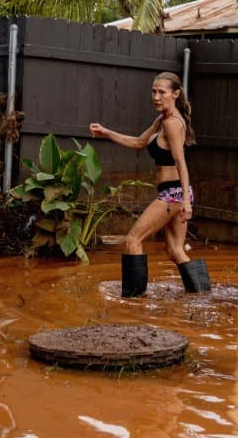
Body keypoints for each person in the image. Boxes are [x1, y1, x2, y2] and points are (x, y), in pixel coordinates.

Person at [89, 71, 211, 297]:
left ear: (175, 94)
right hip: (174, 193)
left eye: (162, 92)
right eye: (154, 91)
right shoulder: (161, 120)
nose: (156, 96)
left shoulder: (173, 124)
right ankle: (202, 294)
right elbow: (138, 142)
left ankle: (134, 300)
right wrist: (106, 132)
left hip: (173, 195)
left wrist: (186, 201)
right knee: (175, 250)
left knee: (133, 240)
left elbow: (180, 162)